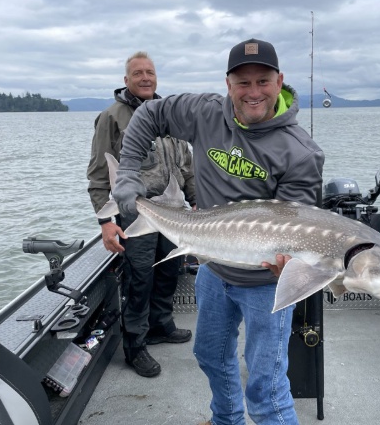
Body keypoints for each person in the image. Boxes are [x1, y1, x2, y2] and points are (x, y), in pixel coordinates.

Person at [113, 39, 324, 424]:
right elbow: (148, 116)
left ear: (280, 81)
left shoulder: (300, 152)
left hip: (266, 285)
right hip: (212, 267)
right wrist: (127, 171)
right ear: (228, 84)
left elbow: (297, 230)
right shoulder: (204, 112)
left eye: (263, 81)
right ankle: (226, 419)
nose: (253, 92)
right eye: (243, 83)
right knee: (209, 355)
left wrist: (293, 267)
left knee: (267, 386)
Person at [86, 51, 196, 378]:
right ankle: (135, 345)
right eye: (138, 73)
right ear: (126, 80)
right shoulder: (112, 117)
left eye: (150, 72)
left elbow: (187, 168)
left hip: (176, 216)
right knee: (139, 279)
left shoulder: (170, 115)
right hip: (137, 217)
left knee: (169, 272)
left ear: (156, 77)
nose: (145, 77)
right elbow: (98, 176)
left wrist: (199, 202)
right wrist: (106, 222)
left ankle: (161, 325)